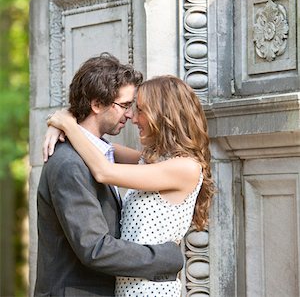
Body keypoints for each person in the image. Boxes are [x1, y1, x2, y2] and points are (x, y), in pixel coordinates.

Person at [45, 73, 215, 296]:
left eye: (141, 110)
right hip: (128, 286)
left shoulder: (185, 169)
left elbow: (103, 170)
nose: (133, 118)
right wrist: (62, 121)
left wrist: (68, 125)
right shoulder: (153, 161)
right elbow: (99, 147)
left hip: (151, 289)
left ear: (163, 114)